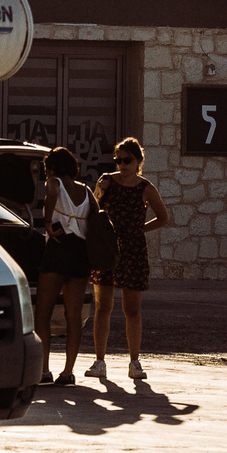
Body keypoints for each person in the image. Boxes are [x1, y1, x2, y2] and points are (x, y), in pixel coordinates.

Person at [88, 136, 171, 382]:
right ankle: (99, 361)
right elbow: (92, 210)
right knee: (103, 306)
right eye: (118, 160)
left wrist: (139, 230)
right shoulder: (107, 182)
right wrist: (99, 190)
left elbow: (163, 217)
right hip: (107, 248)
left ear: (138, 161)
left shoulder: (146, 188)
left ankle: (134, 361)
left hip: (133, 250)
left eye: (127, 160)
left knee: (132, 309)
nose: (122, 165)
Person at [36, 147, 93, 386]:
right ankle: (68, 372)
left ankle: (43, 371)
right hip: (81, 253)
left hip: (58, 249)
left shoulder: (54, 182)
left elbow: (52, 191)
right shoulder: (86, 190)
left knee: (43, 313)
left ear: (52, 167)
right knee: (74, 315)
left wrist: (48, 222)